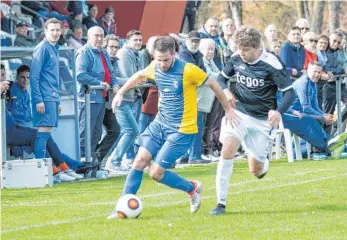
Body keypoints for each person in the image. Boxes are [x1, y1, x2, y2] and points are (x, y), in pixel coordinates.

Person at [107, 36, 236, 219]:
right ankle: (121, 208)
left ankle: (192, 188)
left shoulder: (188, 70)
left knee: (156, 173)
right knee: (138, 161)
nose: (161, 64)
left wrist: (228, 110)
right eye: (158, 59)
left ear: (174, 54)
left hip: (182, 130)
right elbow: (139, 76)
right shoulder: (155, 66)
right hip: (160, 124)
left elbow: (214, 84)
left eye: (165, 60)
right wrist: (120, 92)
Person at [210, 25, 295, 215]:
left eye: (246, 50)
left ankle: (262, 161)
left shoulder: (273, 63)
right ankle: (220, 204)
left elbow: (290, 93)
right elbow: (221, 78)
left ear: (258, 48)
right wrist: (225, 90)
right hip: (239, 113)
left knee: (256, 171)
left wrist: (279, 111)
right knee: (227, 151)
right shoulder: (236, 58)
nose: (242, 54)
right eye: (240, 49)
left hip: (262, 121)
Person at [105, 30, 144, 172]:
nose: (139, 42)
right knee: (131, 130)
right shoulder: (125, 53)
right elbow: (120, 78)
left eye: (140, 40)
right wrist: (135, 80)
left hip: (128, 97)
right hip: (120, 99)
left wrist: (137, 79)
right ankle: (113, 160)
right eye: (136, 40)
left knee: (126, 131)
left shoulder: (134, 54)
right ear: (127, 41)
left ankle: (115, 160)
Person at [76, 26, 118, 158]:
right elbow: (80, 75)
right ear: (89, 36)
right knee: (85, 134)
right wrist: (99, 83)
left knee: (96, 134)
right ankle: (81, 165)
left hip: (102, 99)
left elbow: (111, 72)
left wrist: (115, 83)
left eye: (102, 36)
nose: (100, 38)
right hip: (88, 99)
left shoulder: (104, 52)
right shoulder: (84, 52)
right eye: (96, 36)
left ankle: (92, 164)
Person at [30, 18, 62, 159]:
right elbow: (34, 76)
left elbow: (53, 78)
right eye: (52, 30)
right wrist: (38, 100)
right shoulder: (42, 48)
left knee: (46, 131)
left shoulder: (54, 48)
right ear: (45, 31)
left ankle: (50, 170)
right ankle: (39, 169)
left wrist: (58, 100)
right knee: (43, 131)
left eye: (57, 30)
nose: (55, 33)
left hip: (52, 97)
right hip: (44, 98)